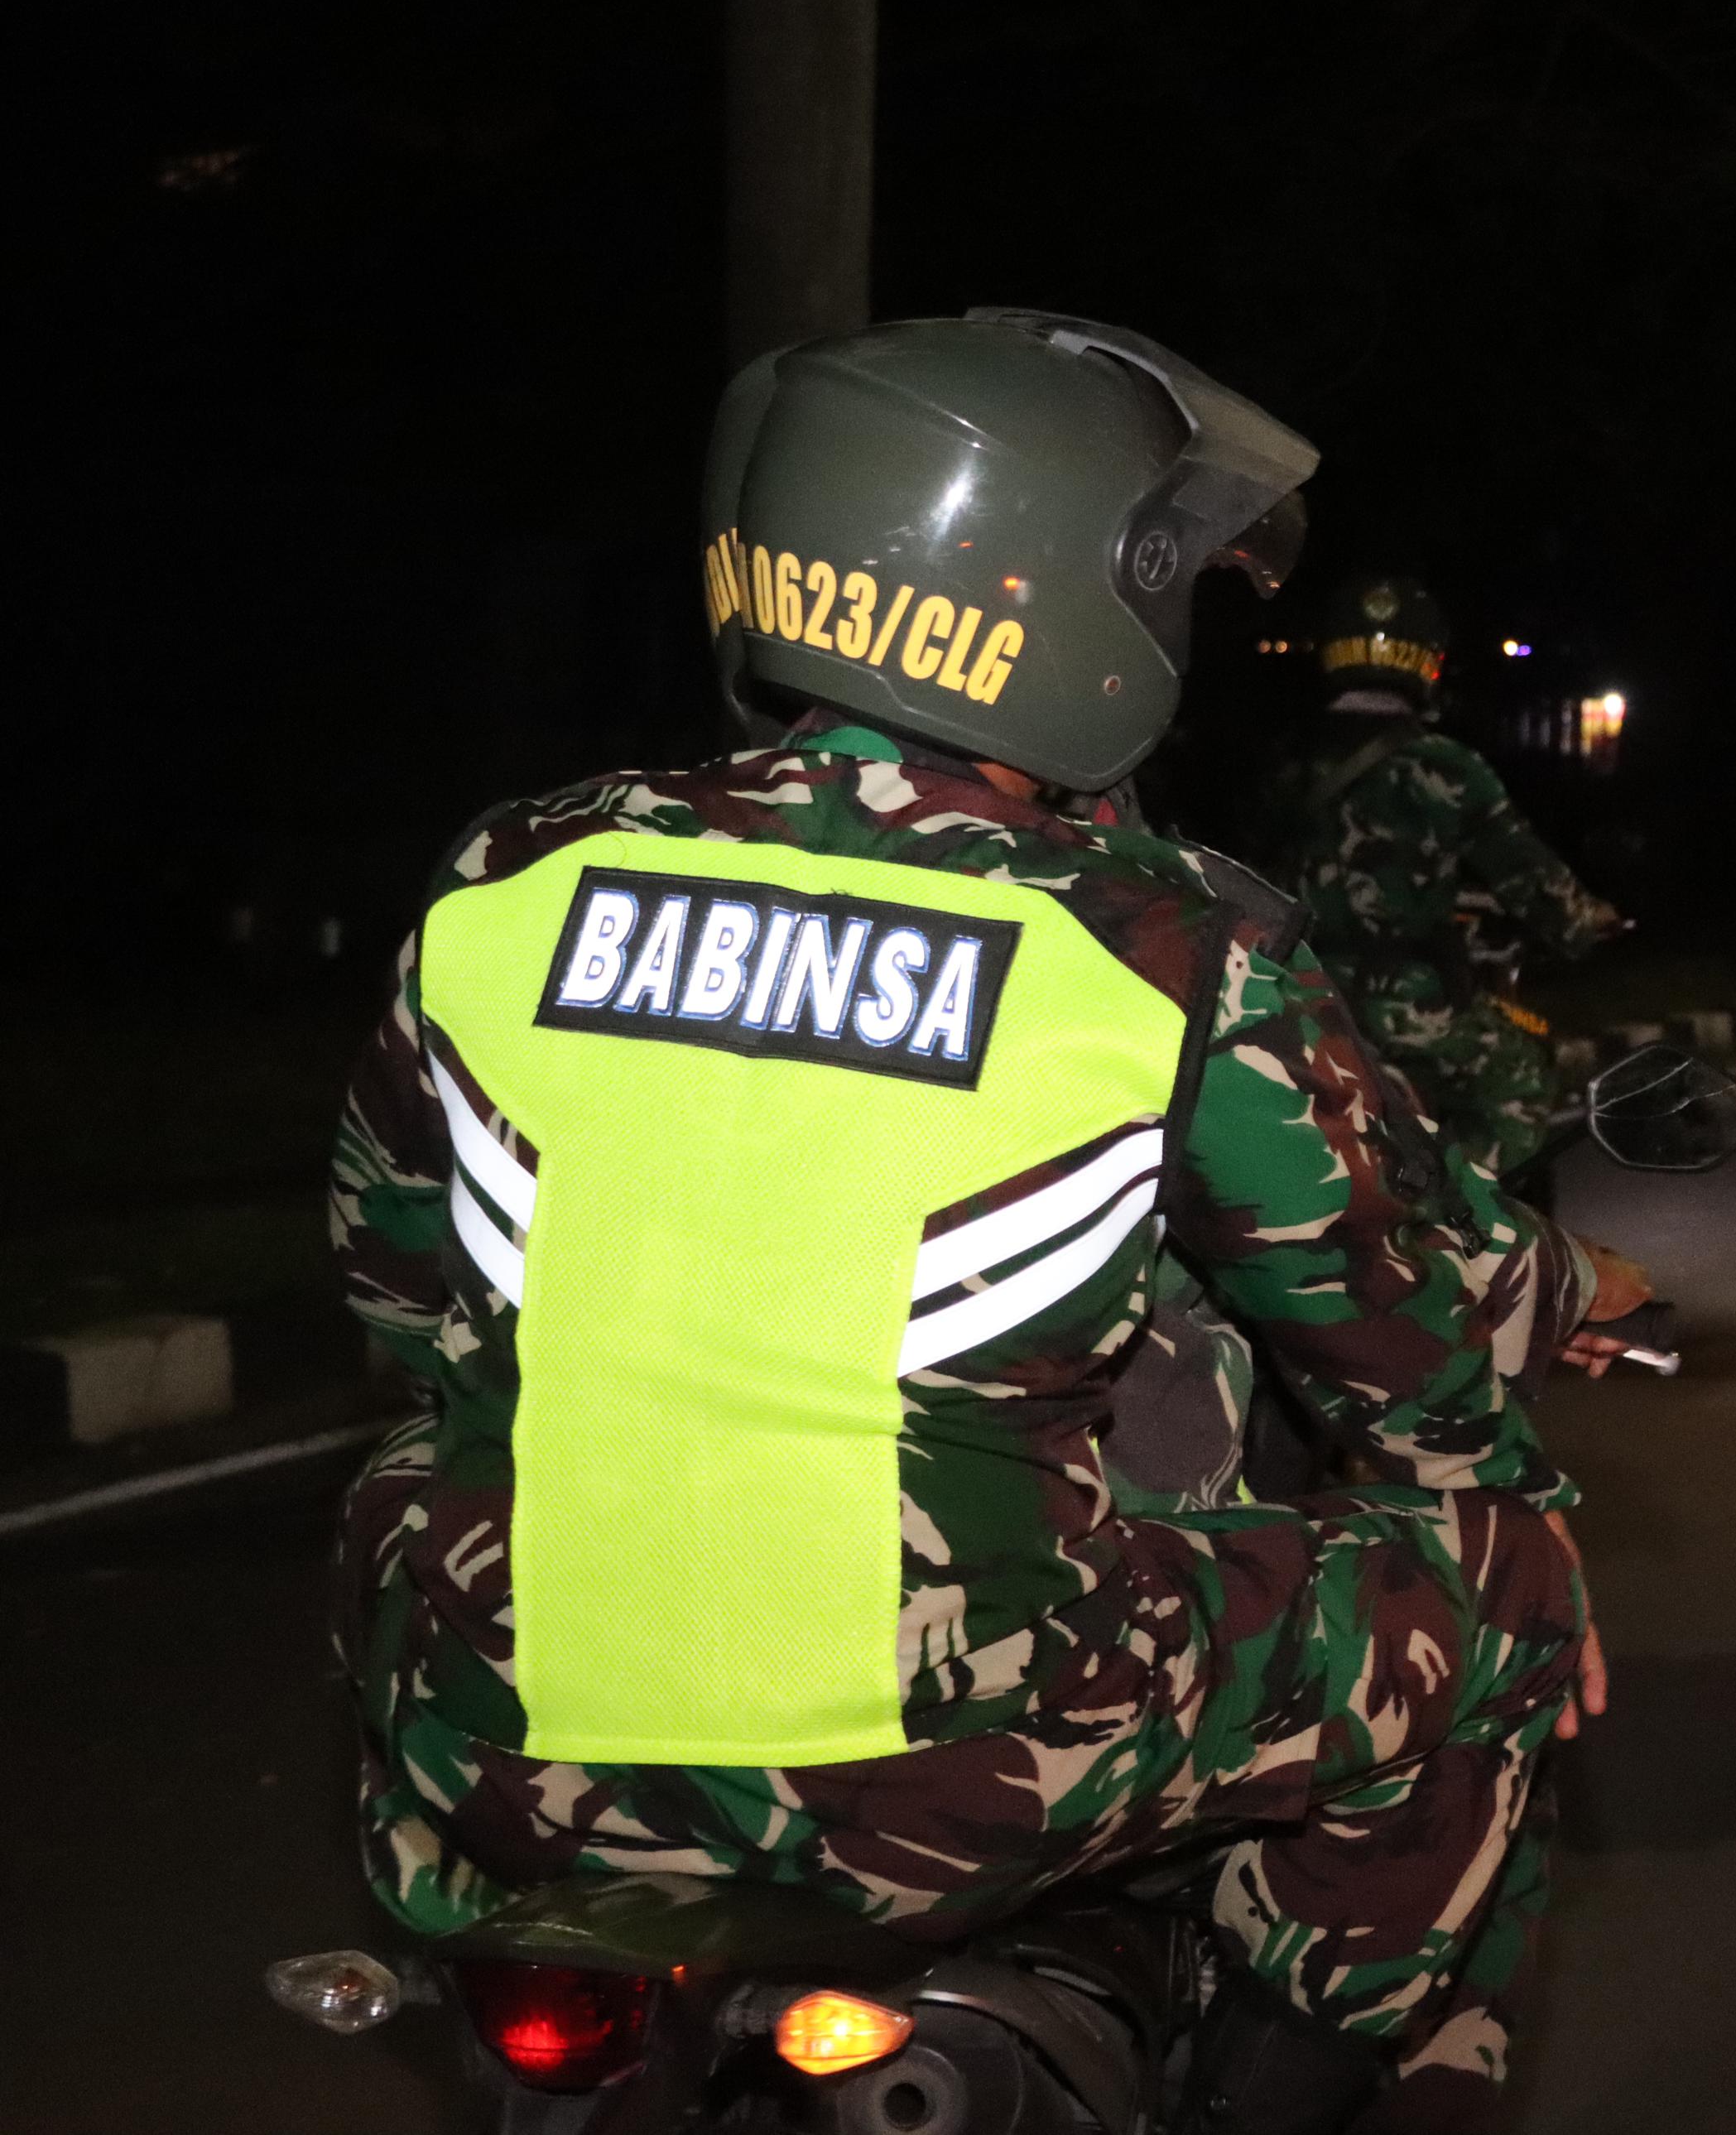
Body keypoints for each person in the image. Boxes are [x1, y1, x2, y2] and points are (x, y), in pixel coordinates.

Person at [330, 312, 1644, 2134]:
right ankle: (1291, 2075)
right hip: (930, 1774)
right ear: (1065, 594)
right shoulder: (1152, 937)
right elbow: (1404, 1333)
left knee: (422, 1461)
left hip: (498, 1750)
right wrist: (1518, 1445)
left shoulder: (511, 873)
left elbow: (406, 1301)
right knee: (1502, 1587)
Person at [1261, 574, 1618, 1188]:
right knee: (1521, 1075)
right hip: (1406, 1005)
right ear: (1427, 662)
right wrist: (1587, 924)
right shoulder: (1446, 767)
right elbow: (1531, 877)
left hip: (1294, 998)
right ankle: (1459, 1211)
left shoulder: (1281, 762)